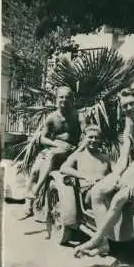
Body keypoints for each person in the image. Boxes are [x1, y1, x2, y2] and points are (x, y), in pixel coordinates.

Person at [74, 87, 134, 258]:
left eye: (131, 104)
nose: (128, 109)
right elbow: (125, 155)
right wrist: (116, 174)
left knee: (119, 198)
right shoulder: (129, 122)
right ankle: (104, 244)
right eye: (125, 106)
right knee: (97, 192)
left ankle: (95, 240)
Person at [24, 86, 85, 219]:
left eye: (67, 97)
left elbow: (86, 133)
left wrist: (79, 147)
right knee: (35, 170)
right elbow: (42, 138)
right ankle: (28, 204)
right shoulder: (51, 118)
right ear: (56, 99)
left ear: (72, 99)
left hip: (70, 150)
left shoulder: (78, 115)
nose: (64, 100)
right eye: (61, 97)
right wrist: (55, 143)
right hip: (54, 147)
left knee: (50, 155)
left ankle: (36, 191)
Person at [60, 125, 112, 203]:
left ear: (100, 140)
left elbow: (118, 170)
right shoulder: (78, 156)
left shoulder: (106, 157)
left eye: (96, 137)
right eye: (90, 137)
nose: (93, 140)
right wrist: (86, 177)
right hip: (88, 192)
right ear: (84, 138)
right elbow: (64, 168)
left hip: (106, 188)